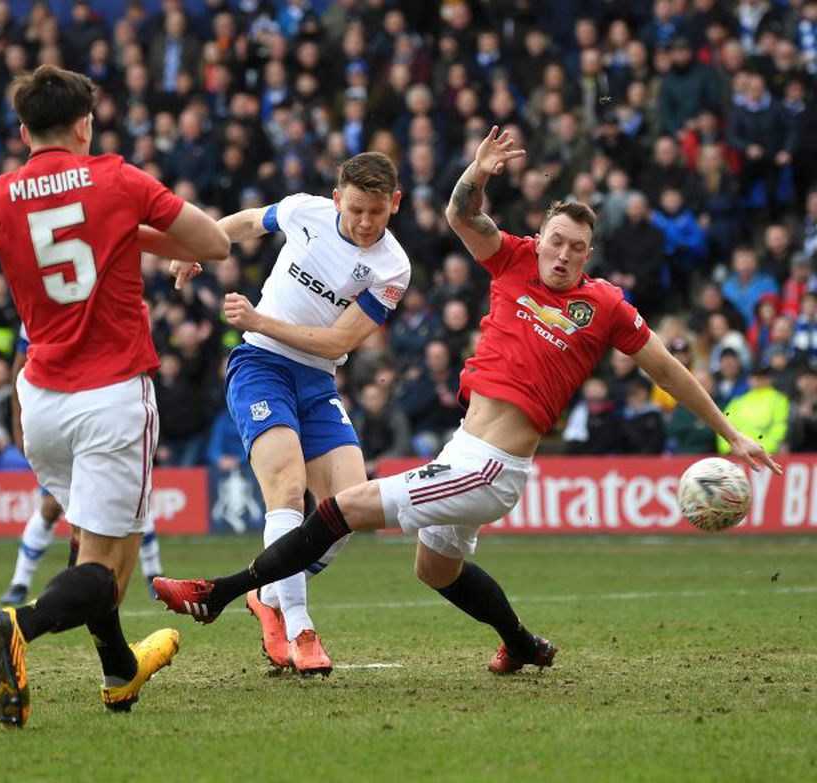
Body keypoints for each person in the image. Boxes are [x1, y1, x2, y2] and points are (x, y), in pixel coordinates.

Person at [152, 127, 782, 675]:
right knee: (436, 570)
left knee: (341, 507)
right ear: (539, 236)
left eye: (577, 248)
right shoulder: (512, 261)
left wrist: (730, 432)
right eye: (556, 241)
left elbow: (667, 369)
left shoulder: (605, 306)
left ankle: (225, 592)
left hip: (487, 467)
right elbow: (462, 215)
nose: (563, 255)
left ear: (591, 256)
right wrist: (476, 173)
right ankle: (520, 645)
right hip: (465, 446)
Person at [0, 65, 229, 727]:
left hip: (40, 403)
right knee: (108, 570)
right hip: (112, 395)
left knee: (87, 533)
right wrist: (131, 231)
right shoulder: (118, 178)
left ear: (24, 129)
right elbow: (215, 241)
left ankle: (119, 670)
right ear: (84, 124)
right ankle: (18, 623)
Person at [169, 151, 411, 675]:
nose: (366, 223)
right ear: (335, 200)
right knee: (285, 485)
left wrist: (259, 317)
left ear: (395, 203)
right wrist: (201, 245)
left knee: (346, 513)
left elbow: (338, 342)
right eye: (355, 211)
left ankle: (269, 596)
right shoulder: (305, 211)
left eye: (377, 211)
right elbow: (250, 222)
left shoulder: (393, 267)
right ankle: (300, 628)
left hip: (317, 378)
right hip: (259, 365)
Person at [0, 324, 164, 606]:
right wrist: (17, 423)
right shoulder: (37, 310)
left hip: (103, 411)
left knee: (126, 504)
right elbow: (20, 366)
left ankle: (154, 575)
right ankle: (21, 583)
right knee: (53, 508)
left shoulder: (111, 304)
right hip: (55, 412)